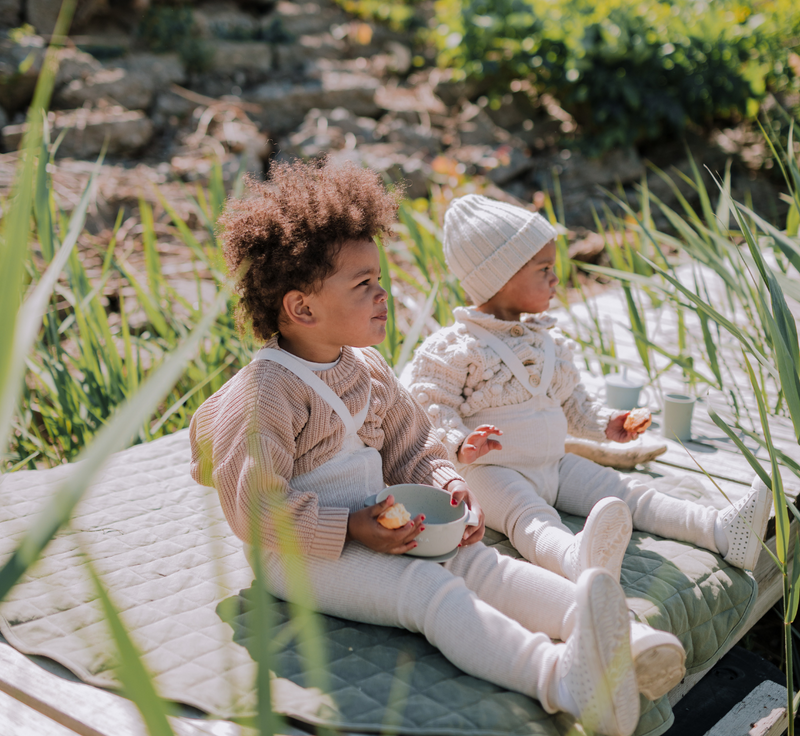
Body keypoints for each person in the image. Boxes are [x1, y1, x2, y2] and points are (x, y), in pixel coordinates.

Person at [189, 160, 685, 736]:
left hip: (377, 519)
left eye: (380, 280)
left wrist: (449, 487)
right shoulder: (265, 391)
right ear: (301, 308)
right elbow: (252, 508)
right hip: (297, 551)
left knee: (478, 561)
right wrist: (352, 527)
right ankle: (559, 679)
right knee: (427, 588)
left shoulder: (366, 368)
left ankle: (615, 637)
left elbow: (413, 442)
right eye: (363, 286)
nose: (383, 296)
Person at [404, 193, 772, 591]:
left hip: (554, 464)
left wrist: (605, 424)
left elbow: (573, 402)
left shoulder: (548, 341)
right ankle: (574, 559)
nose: (555, 279)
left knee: (624, 491)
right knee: (529, 517)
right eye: (544, 268)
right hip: (490, 470)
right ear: (501, 277)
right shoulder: (455, 347)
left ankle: (720, 530)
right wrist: (460, 443)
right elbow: (428, 401)